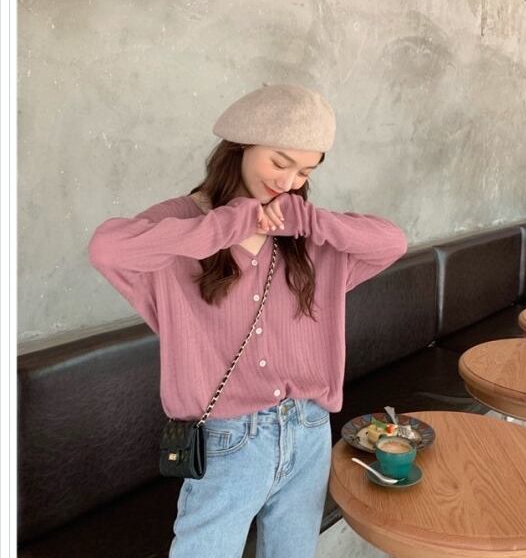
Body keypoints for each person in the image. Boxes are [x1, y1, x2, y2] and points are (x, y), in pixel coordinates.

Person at [88, 83, 408, 558]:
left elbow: (392, 242)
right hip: (227, 439)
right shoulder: (184, 223)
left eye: (305, 171)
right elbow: (107, 249)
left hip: (308, 429)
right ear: (240, 146)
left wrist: (309, 220)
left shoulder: (306, 231)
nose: (289, 181)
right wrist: (234, 223)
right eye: (280, 162)